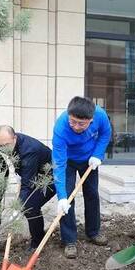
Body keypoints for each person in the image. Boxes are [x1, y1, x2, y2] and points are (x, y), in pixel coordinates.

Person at [52, 96, 112, 259]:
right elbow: (58, 164)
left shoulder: (100, 115)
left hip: (90, 159)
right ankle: (69, 239)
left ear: (91, 120)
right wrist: (62, 197)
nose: (76, 127)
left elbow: (106, 134)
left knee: (92, 194)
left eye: (81, 124)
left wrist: (98, 154)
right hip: (69, 161)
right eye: (73, 122)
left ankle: (93, 232)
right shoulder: (61, 128)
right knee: (68, 200)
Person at [0, 126, 56, 253]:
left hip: (52, 178)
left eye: (6, 145)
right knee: (28, 205)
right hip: (35, 173)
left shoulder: (29, 150)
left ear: (14, 138)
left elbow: (27, 185)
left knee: (30, 206)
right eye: (0, 146)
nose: (4, 149)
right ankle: (37, 239)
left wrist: (18, 206)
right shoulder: (12, 145)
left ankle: (38, 242)